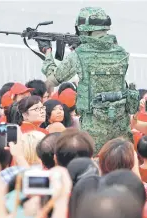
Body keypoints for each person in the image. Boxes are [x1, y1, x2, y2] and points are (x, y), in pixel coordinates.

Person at [37, 7, 139, 154]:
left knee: (95, 165)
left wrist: (47, 54)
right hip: (120, 122)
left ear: (83, 29)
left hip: (93, 126)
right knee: (122, 161)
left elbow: (53, 79)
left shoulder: (79, 54)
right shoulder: (121, 52)